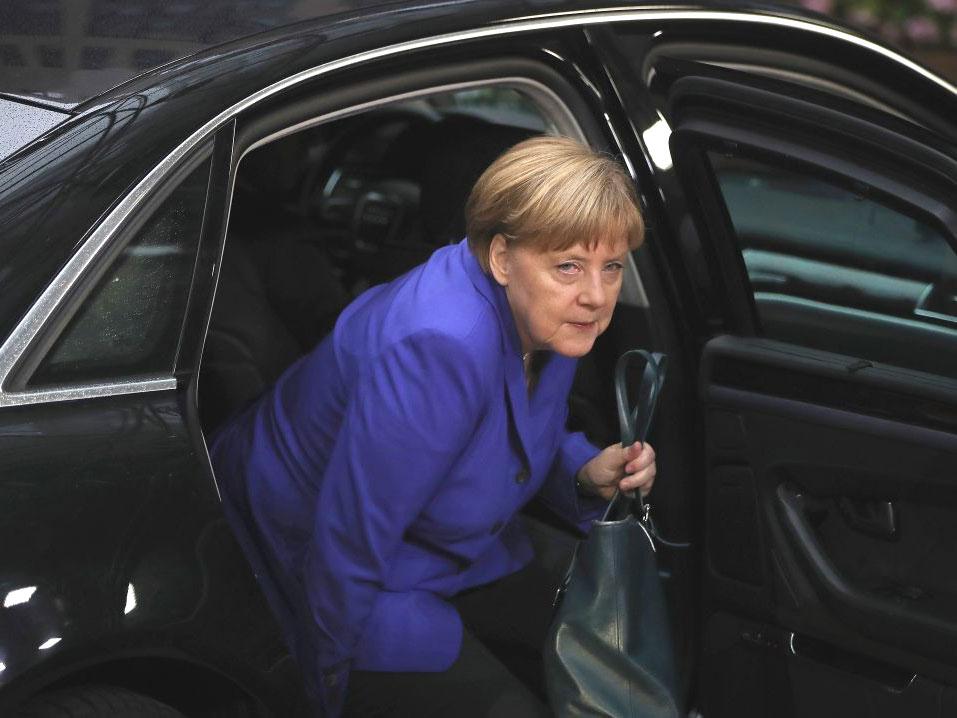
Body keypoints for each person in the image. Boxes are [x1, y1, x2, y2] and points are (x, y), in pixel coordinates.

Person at [209, 135, 657, 716]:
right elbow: (347, 545)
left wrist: (583, 471)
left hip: (452, 540)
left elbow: (516, 433)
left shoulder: (547, 313)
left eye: (612, 267)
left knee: (621, 607)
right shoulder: (440, 345)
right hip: (333, 568)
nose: (596, 297)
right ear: (501, 258)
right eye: (568, 265)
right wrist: (322, 691)